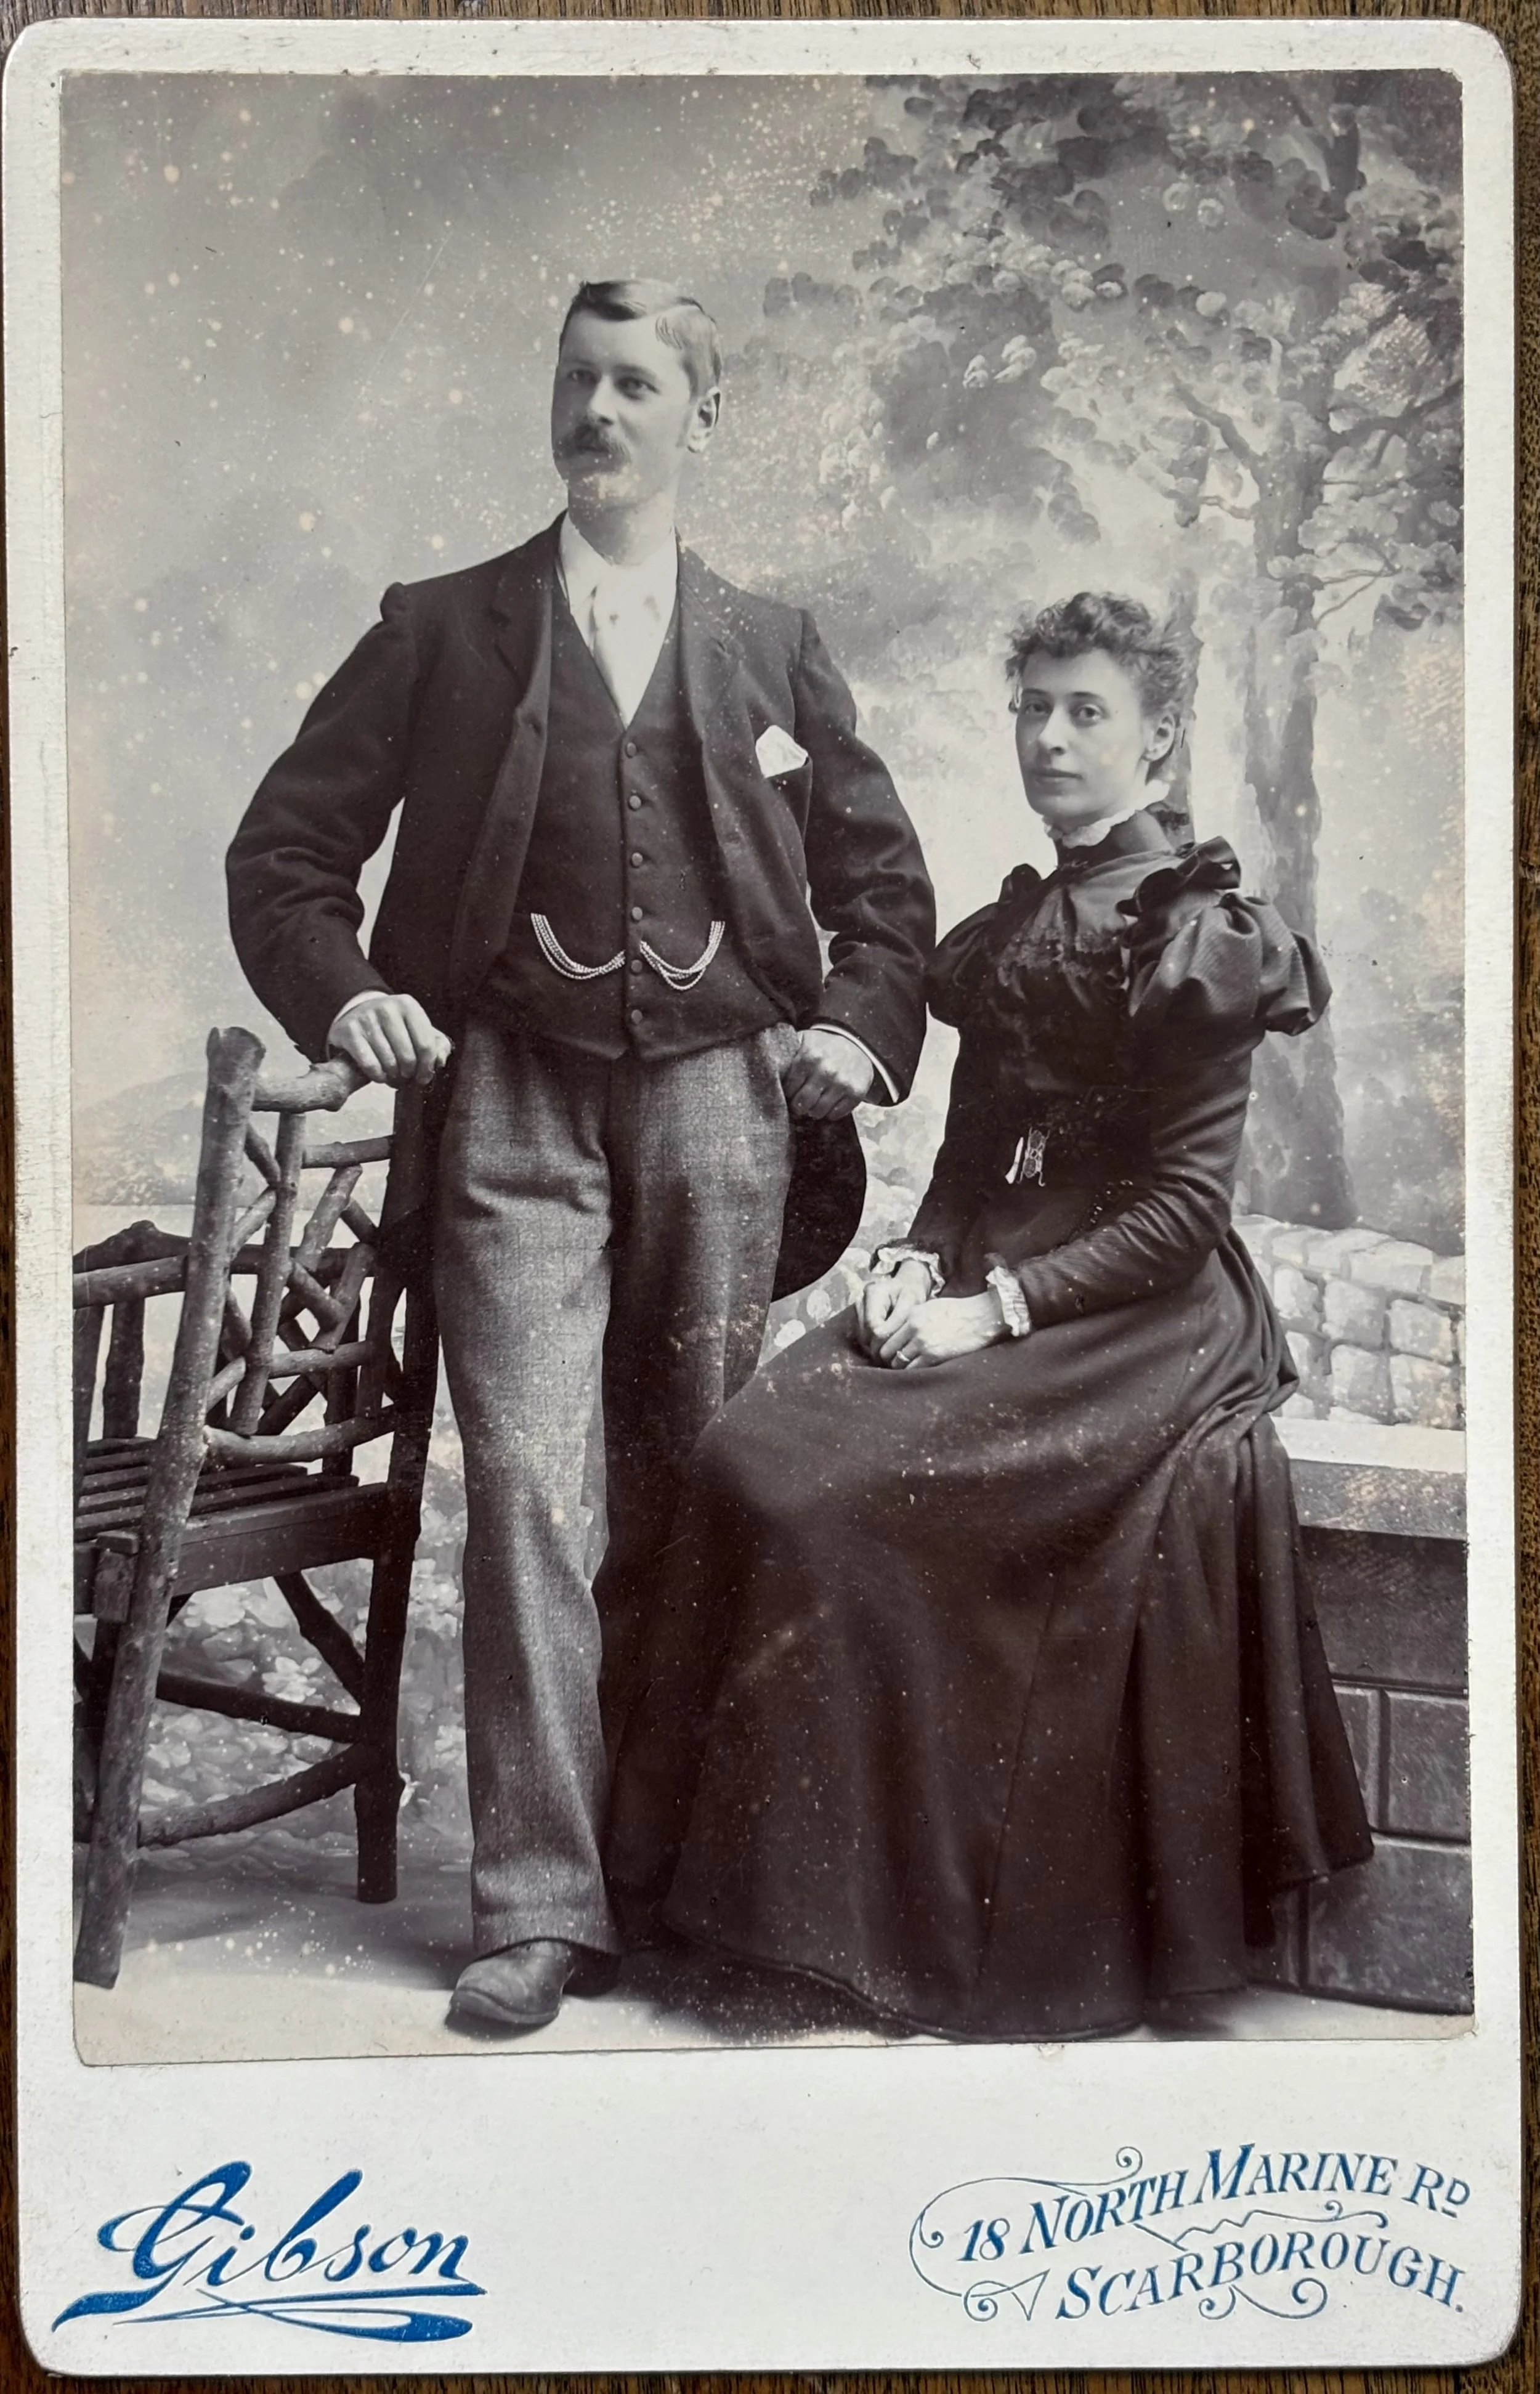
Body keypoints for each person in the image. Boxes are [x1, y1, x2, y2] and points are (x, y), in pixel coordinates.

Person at [226, 280, 934, 2036]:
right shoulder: (444, 626)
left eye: (634, 385)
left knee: (696, 1479)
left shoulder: (772, 643)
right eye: (575, 381)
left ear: (702, 417)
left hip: (724, 1104)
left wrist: (856, 1025)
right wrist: (357, 996)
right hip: (511, 1103)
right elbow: (285, 854)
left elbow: (888, 898)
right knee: (534, 1487)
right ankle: (540, 1904)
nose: (596, 412)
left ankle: (684, 1882)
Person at [604, 591, 1374, 2044]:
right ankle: (732, 1913)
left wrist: (995, 1309)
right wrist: (913, 1259)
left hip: (1139, 1311)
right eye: (1033, 708)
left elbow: (1182, 1212)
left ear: (1155, 745)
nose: (1050, 737)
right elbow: (971, 1153)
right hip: (996, 1275)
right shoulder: (1016, 923)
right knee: (748, 1444)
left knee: (837, 1492)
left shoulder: (1198, 930)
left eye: (1086, 712)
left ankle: (884, 1939)